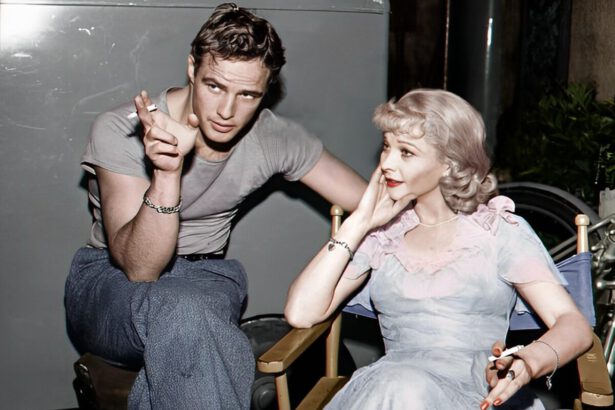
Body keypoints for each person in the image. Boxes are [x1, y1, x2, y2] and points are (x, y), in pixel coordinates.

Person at [64, 3, 366, 409]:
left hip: (205, 277)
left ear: (266, 90)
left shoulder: (273, 138)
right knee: (193, 320)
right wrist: (167, 174)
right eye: (215, 87)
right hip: (111, 285)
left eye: (248, 95)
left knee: (194, 323)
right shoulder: (123, 129)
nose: (227, 111)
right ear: (192, 68)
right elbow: (140, 268)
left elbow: (374, 204)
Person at [284, 88, 593, 409]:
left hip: (477, 394)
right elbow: (301, 312)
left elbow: (572, 323)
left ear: (448, 163)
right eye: (387, 146)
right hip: (391, 388)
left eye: (406, 152)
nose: (387, 163)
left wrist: (529, 361)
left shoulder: (498, 231)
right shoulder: (382, 235)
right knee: (402, 387)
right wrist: (359, 222)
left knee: (403, 389)